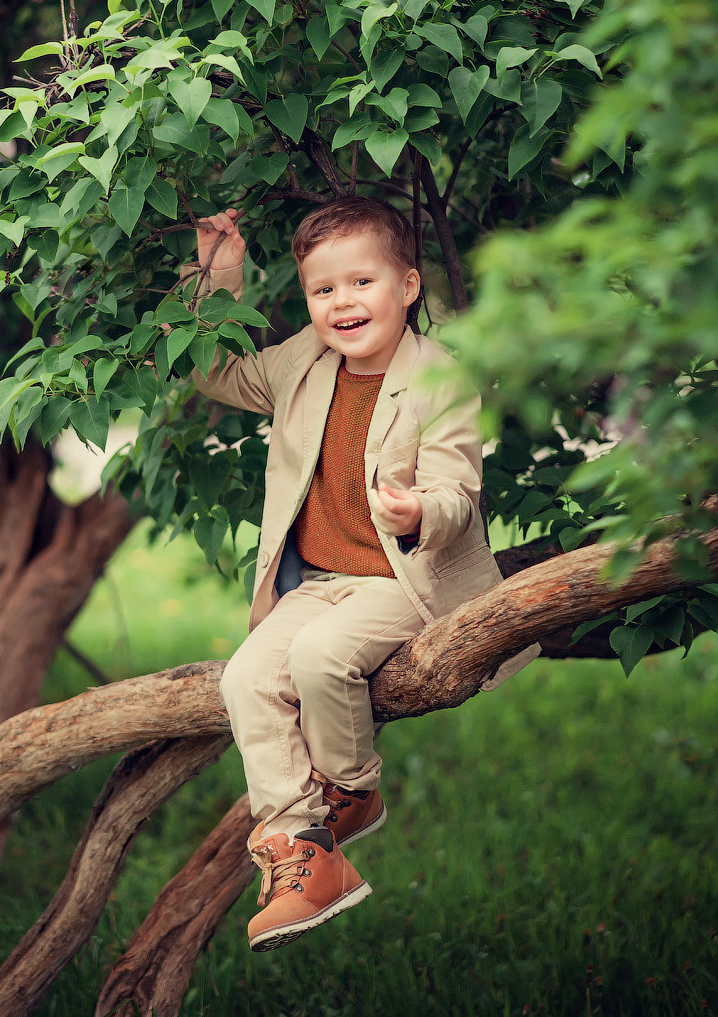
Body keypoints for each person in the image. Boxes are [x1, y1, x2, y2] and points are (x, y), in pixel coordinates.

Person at [182, 196, 538, 952]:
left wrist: (419, 512)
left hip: (405, 580)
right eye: (323, 289)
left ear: (408, 286)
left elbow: (457, 489)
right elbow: (213, 370)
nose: (342, 302)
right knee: (246, 679)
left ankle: (352, 788)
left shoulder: (440, 377)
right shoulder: (303, 363)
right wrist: (216, 275)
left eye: (361, 282)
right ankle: (305, 856)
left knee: (320, 658)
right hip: (320, 580)